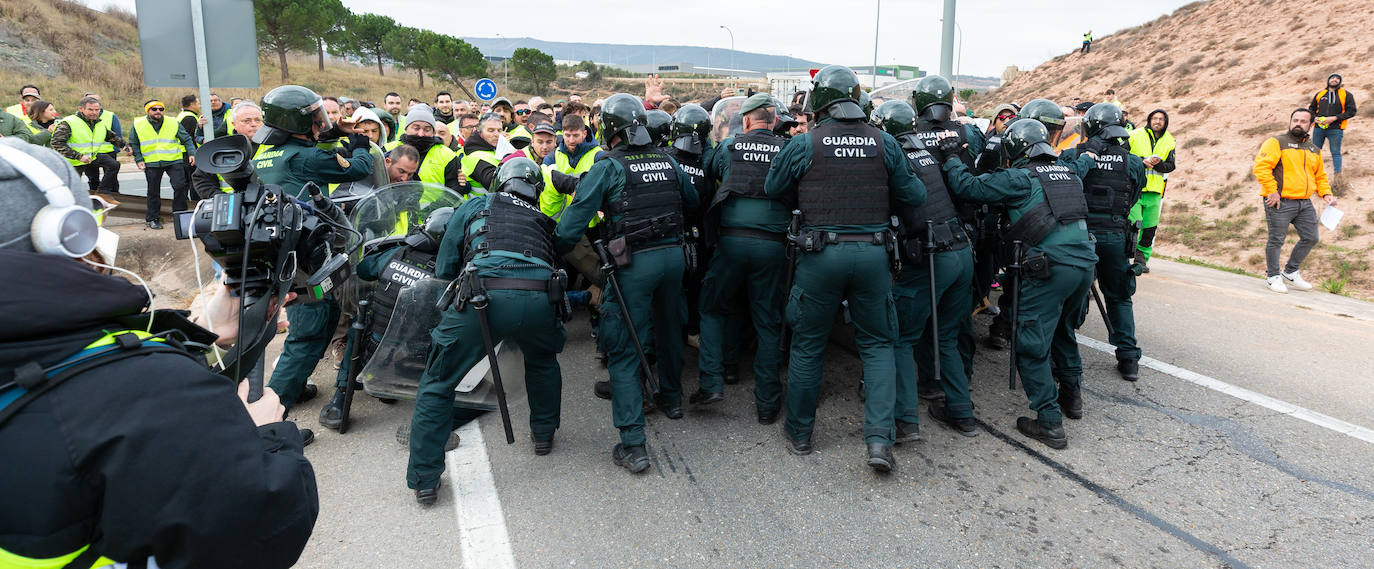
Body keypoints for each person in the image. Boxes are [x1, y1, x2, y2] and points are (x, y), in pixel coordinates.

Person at [0, 138, 318, 568]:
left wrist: (198, 334)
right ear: (65, 234)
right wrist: (264, 437)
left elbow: (69, 361)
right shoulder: (152, 394)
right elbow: (258, 534)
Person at [764, 65, 925, 471]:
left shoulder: (806, 144)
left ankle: (800, 434)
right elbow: (915, 194)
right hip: (873, 255)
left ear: (819, 101)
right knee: (878, 346)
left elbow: (773, 188)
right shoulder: (884, 142)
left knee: (808, 345)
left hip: (819, 256)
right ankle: (879, 442)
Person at [553, 93, 699, 474]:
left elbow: (570, 225)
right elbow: (693, 199)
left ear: (608, 129)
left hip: (633, 262)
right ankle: (672, 399)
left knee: (624, 345)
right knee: (670, 328)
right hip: (673, 258)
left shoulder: (609, 166)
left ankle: (633, 444)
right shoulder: (667, 160)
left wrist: (555, 252)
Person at [409, 158, 568, 503]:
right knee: (542, 361)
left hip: (483, 294)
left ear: (499, 182)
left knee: (438, 383)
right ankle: (543, 434)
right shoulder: (543, 219)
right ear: (536, 190)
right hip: (540, 296)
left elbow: (446, 265)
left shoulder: (477, 204)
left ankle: (424, 478)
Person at [941, 119, 1098, 450]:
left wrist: (952, 157)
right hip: (1085, 263)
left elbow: (968, 187)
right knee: (1063, 331)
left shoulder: (1019, 177)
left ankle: (1050, 422)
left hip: (1049, 270)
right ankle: (1072, 398)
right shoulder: (1068, 173)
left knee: (1030, 343)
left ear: (1014, 151)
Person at [252, 85, 374, 437]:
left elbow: (311, 152)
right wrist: (361, 143)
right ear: (296, 122)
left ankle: (290, 387)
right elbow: (356, 167)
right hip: (302, 258)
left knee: (327, 317)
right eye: (314, 117)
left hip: (281, 252)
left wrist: (330, 134)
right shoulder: (302, 157)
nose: (321, 122)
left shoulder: (268, 151)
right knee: (307, 333)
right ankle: (270, 423)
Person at [872, 99, 979, 438]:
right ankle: (961, 412)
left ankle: (906, 421)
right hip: (961, 251)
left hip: (931, 253)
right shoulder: (925, 153)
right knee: (945, 335)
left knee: (902, 337)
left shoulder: (894, 158)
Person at [697, 94, 790, 422]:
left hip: (732, 242)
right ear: (775, 121)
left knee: (712, 307)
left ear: (746, 121)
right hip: (773, 247)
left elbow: (709, 172)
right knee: (768, 322)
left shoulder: (729, 147)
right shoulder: (788, 149)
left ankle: (711, 381)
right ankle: (766, 405)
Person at [1059, 103, 1148, 385]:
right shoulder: (1133, 162)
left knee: (1073, 294)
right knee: (1119, 296)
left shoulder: (1074, 154)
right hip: (1114, 235)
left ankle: (1063, 353)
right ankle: (1128, 358)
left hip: (1080, 235)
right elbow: (1134, 196)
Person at [1254, 108, 1336, 293]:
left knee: (1311, 237)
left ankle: (1290, 272)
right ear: (1290, 121)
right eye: (1295, 120)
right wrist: (1272, 191)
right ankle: (1273, 276)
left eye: (1303, 121)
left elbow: (1320, 176)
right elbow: (1262, 167)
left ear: (1311, 124)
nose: (1298, 124)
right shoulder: (1276, 142)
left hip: (1304, 203)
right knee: (1276, 239)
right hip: (1279, 200)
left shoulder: (1314, 149)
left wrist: (1326, 194)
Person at [129, 100, 196, 230]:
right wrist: (139, 159)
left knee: (180, 187)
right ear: (148, 111)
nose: (158, 111)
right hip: (151, 162)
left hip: (173, 160)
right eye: (154, 109)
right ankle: (153, 218)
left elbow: (186, 139)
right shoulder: (138, 124)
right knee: (153, 191)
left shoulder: (172, 122)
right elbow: (134, 143)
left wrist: (192, 153)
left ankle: (180, 215)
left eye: (161, 109)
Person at [50, 96, 127, 205]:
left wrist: (124, 146)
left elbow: (110, 136)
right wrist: (79, 156)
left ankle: (102, 192)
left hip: (91, 157)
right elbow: (56, 143)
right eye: (90, 109)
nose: (94, 112)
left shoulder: (98, 123)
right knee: (72, 190)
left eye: (97, 110)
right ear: (81, 109)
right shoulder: (68, 122)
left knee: (114, 165)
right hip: (73, 162)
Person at [1126, 108, 1176, 272]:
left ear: (1165, 122)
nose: (1157, 121)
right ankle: (1124, 255)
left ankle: (1141, 259)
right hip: (1135, 187)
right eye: (1155, 118)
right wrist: (1141, 162)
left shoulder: (1170, 141)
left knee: (1149, 228)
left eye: (1161, 119)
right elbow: (1123, 155)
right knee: (1132, 223)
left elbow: (1171, 165)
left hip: (1155, 191)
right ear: (1149, 120)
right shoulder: (1135, 135)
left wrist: (1158, 164)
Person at [1309, 73, 1356, 175]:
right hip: (1318, 128)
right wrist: (1314, 118)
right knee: (1315, 152)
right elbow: (1311, 109)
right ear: (1328, 80)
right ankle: (1313, 174)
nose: (1334, 80)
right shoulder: (1320, 94)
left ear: (1340, 82)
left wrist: (1334, 118)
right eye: (1332, 78)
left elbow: (1352, 111)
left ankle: (1337, 177)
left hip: (1336, 129)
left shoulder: (1346, 94)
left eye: (1337, 79)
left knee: (1335, 153)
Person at [460, 113, 505, 192]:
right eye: (491, 130)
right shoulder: (475, 157)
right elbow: (496, 186)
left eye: (499, 130)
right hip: (483, 203)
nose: (496, 134)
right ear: (480, 132)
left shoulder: (495, 147)